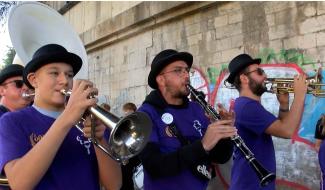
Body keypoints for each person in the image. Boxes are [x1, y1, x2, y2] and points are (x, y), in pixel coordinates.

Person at [0, 44, 122, 190]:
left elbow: (114, 185)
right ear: (33, 80)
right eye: (54, 73)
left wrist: (99, 139)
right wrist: (67, 118)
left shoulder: (87, 120)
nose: (65, 81)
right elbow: (19, 184)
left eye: (69, 75)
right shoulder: (12, 122)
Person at [138, 49, 237, 190]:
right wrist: (202, 146)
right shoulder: (146, 114)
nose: (186, 75)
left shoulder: (197, 109)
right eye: (178, 71)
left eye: (187, 70)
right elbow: (154, 166)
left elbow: (220, 157)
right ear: (161, 79)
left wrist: (225, 134)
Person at [225, 54, 308, 190]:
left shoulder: (248, 105)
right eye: (259, 72)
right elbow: (287, 131)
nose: (265, 76)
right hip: (250, 185)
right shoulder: (247, 107)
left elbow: (280, 128)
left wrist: (284, 105)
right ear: (244, 78)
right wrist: (300, 95)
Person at [120, 102, 142, 190]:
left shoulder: (140, 125)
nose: (128, 118)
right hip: (127, 157)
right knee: (126, 180)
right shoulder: (121, 125)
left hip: (137, 156)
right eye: (126, 115)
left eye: (130, 115)